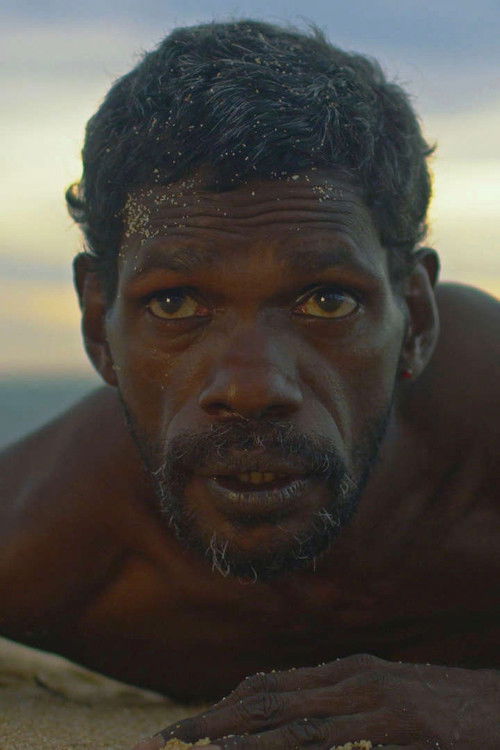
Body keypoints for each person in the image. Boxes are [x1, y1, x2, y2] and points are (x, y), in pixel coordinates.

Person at [0, 20, 498, 749]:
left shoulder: (483, 431)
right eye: (175, 304)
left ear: (416, 319)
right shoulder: (48, 534)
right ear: (98, 323)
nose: (252, 386)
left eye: (327, 300)